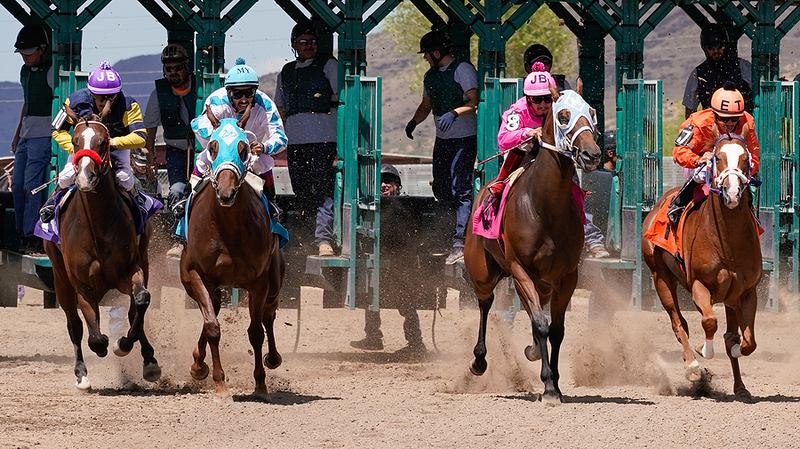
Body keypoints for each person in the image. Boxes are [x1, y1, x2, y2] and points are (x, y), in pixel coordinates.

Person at [523, 46, 608, 258]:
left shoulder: (564, 88)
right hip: (527, 153)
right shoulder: (523, 94)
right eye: (536, 63)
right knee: (502, 187)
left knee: (576, 192)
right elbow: (506, 132)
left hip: (560, 155)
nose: (542, 102)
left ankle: (591, 237)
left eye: (545, 63)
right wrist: (527, 132)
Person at [41, 60, 149, 223]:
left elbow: (140, 137)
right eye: (100, 96)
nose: (106, 101)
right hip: (84, 149)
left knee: (125, 179)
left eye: (111, 97)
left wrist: (111, 143)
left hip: (115, 147)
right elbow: (57, 130)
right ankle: (52, 202)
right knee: (66, 176)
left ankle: (138, 203)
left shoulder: (129, 105)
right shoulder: (75, 102)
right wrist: (75, 147)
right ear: (91, 93)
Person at [405, 30, 478, 265]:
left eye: (427, 54)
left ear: (437, 52)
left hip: (464, 138)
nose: (425, 58)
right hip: (443, 139)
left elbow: (474, 100)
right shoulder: (430, 76)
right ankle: (447, 236)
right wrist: (414, 121)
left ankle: (460, 241)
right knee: (442, 188)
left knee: (461, 189)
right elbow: (426, 105)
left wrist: (455, 112)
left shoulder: (463, 70)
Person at [274, 21, 338, 257]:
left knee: (323, 191)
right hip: (296, 144)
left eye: (312, 41)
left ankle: (323, 240)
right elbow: (279, 108)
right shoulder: (286, 72)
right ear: (294, 45)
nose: (309, 45)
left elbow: (344, 99)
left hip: (324, 141)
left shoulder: (329, 65)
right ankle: (307, 239)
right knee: (303, 193)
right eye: (303, 41)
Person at [350, 163, 426, 355]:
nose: (383, 185)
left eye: (388, 182)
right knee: (371, 295)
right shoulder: (369, 207)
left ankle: (416, 343)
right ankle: (373, 337)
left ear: (397, 186)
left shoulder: (407, 206)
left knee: (406, 303)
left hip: (402, 264)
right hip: (379, 261)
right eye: (380, 182)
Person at [191, 58, 287, 208]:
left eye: (249, 93)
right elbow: (199, 124)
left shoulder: (265, 104)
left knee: (264, 162)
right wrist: (218, 139)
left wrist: (264, 147)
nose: (244, 99)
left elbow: (281, 138)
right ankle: (185, 207)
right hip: (221, 155)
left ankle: (273, 210)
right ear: (229, 92)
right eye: (237, 94)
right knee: (203, 161)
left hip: (251, 154)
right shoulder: (217, 100)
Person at [668, 84, 760, 226]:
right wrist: (698, 160)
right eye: (724, 119)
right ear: (714, 114)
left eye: (734, 119)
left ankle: (751, 212)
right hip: (700, 162)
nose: (729, 123)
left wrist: (747, 166)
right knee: (701, 174)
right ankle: (678, 204)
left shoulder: (748, 122)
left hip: (733, 166)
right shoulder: (697, 123)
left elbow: (754, 156)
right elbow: (679, 152)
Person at [143, 43, 197, 258]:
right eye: (169, 69)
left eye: (178, 68)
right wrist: (150, 157)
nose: (173, 73)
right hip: (176, 152)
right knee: (176, 191)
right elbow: (150, 127)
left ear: (186, 67)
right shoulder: (159, 93)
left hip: (201, 152)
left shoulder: (201, 86)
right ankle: (178, 240)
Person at [11, 25, 52, 254]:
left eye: (29, 52)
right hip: (26, 136)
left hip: (43, 136)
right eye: (23, 54)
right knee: (17, 186)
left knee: (31, 186)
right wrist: (17, 133)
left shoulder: (50, 71)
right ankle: (19, 231)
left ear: (42, 49)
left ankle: (31, 235)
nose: (26, 57)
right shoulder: (24, 72)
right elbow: (26, 103)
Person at [683, 23, 752, 119]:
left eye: (720, 46)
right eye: (711, 48)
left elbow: (760, 95)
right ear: (704, 48)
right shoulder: (697, 74)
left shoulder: (743, 67)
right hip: (712, 129)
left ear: (726, 45)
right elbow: (690, 110)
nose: (716, 51)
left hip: (742, 128)